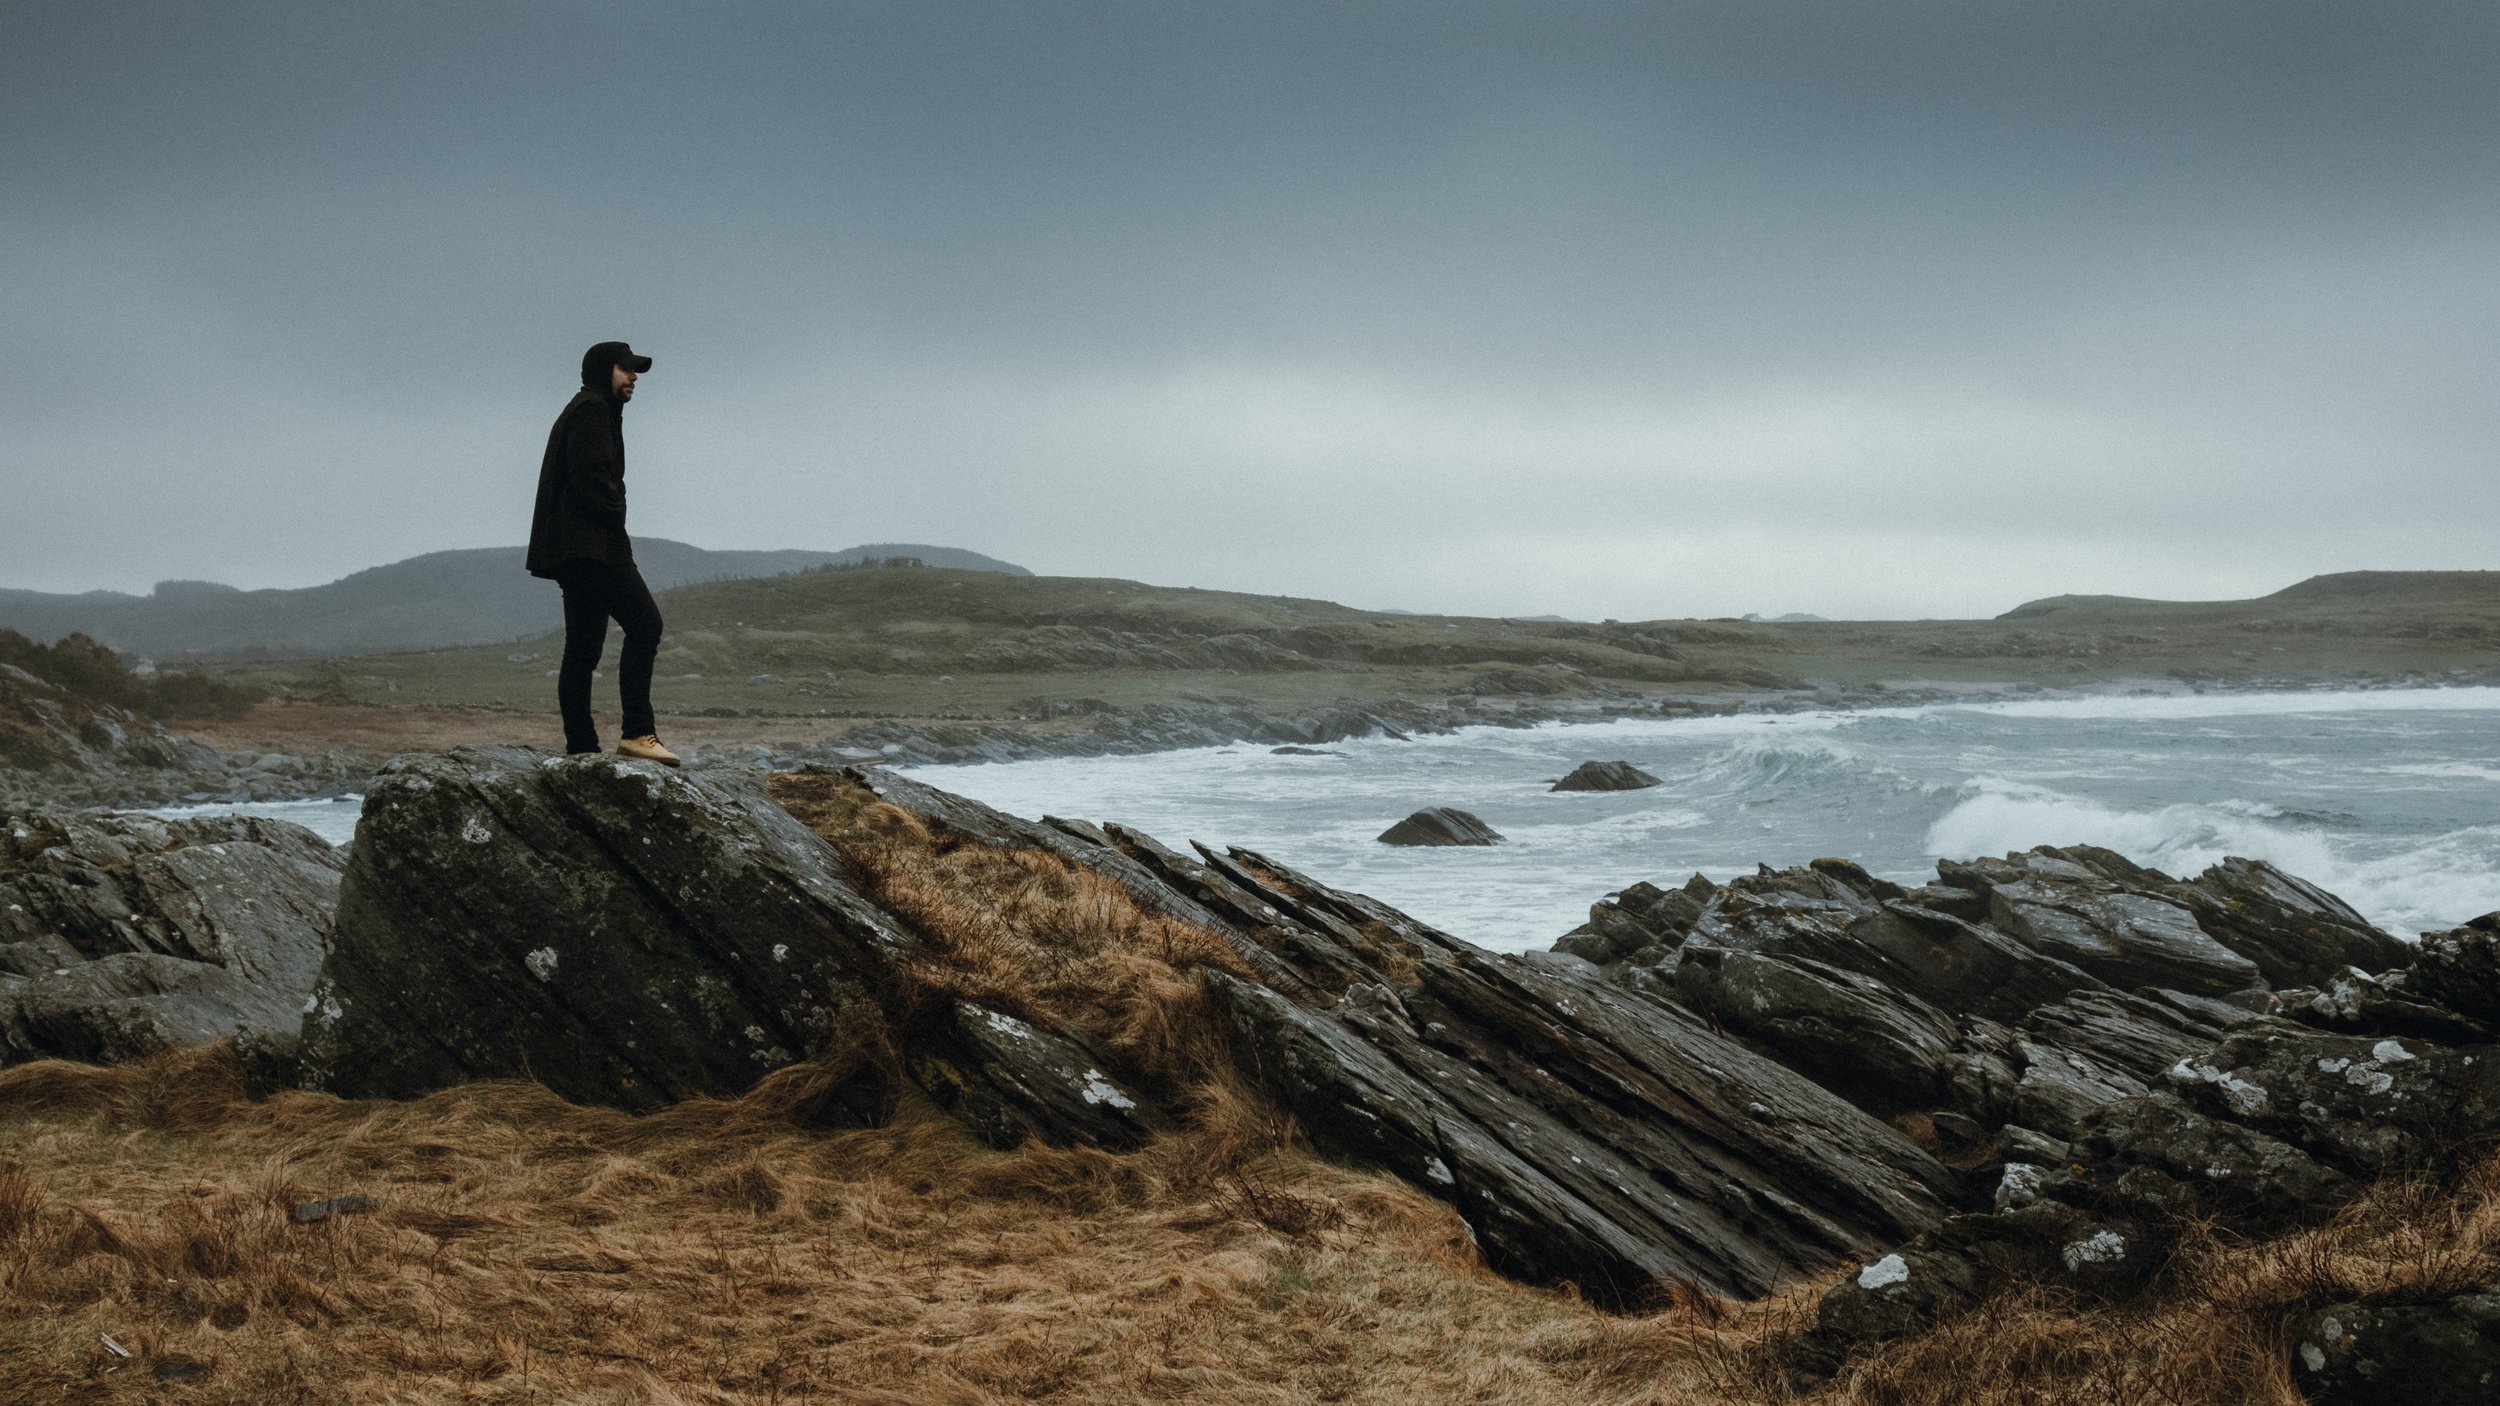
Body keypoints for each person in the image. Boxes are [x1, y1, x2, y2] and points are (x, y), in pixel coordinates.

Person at [525, 340, 679, 766]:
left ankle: (581, 747)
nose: (633, 378)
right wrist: (616, 512)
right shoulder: (594, 409)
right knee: (646, 625)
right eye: (626, 370)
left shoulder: (585, 407)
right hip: (596, 545)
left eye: (635, 372)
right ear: (602, 371)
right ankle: (638, 733)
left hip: (574, 550)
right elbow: (591, 477)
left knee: (583, 647)